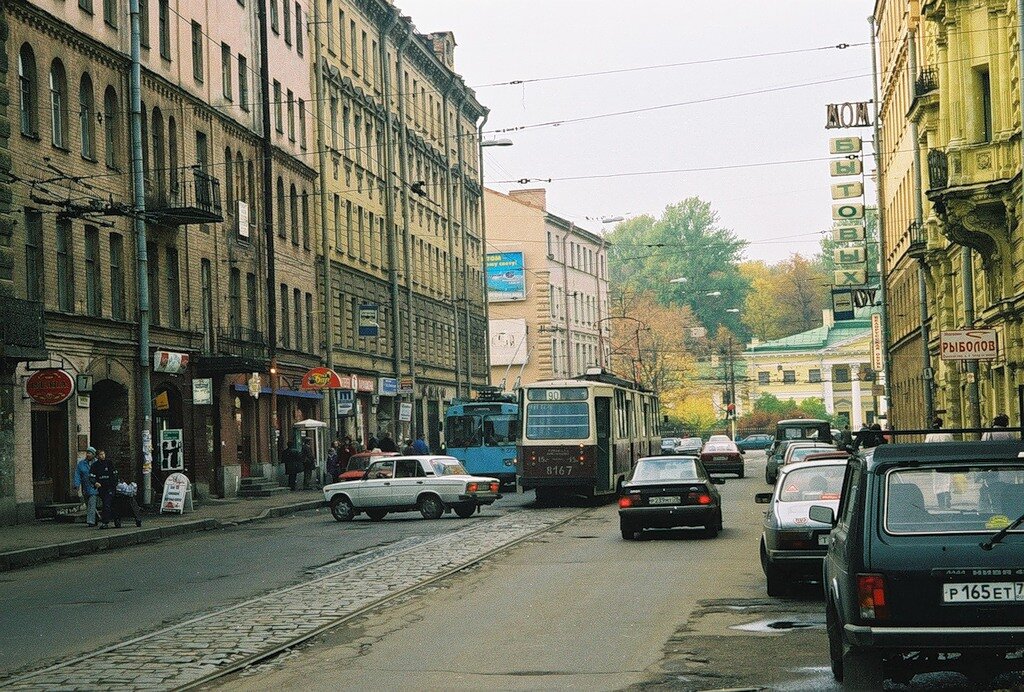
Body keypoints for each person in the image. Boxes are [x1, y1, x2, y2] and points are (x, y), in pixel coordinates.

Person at [925, 418, 954, 509]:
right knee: (947, 480)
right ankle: (947, 494)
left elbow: (926, 447)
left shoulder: (930, 435)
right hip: (946, 460)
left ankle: (941, 503)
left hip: (935, 461)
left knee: (937, 483)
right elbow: (952, 446)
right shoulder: (947, 434)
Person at [89, 449, 120, 529]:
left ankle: (105, 522)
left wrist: (114, 484)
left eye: (103, 454)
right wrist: (95, 483)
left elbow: (115, 474)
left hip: (110, 487)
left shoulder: (109, 463)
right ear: (97, 456)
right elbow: (91, 477)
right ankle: (116, 519)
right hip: (101, 488)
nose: (102, 456)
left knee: (107, 504)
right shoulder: (95, 465)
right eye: (100, 454)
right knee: (109, 504)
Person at [73, 447, 99, 527]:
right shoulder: (81, 464)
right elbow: (77, 474)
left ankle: (90, 521)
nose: (88, 454)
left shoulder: (98, 463)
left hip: (94, 487)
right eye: (87, 453)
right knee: (89, 504)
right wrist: (76, 484)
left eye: (90, 453)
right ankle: (96, 518)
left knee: (92, 503)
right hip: (85, 487)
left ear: (94, 455)